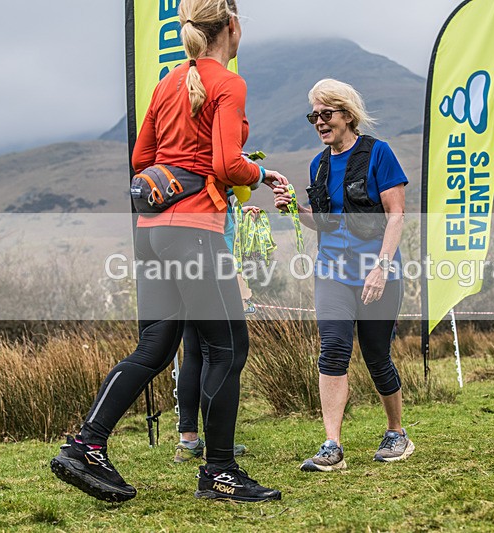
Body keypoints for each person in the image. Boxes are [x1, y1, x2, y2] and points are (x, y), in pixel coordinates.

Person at [50, 0, 285, 502]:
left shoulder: (165, 83)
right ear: (232, 27)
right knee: (227, 348)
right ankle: (220, 472)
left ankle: (86, 444)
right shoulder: (227, 83)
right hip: (196, 231)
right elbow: (225, 162)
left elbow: (141, 160)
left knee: (155, 347)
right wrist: (262, 174)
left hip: (150, 231)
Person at [273, 79, 414, 472]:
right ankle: (332, 445)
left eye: (325, 114)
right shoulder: (318, 164)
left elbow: (396, 215)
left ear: (347, 115)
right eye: (313, 116)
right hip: (332, 272)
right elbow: (327, 224)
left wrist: (382, 269)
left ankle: (396, 432)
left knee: (376, 355)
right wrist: (293, 211)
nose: (318, 122)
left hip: (378, 272)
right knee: (332, 351)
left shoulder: (378, 154)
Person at [174, 196, 257, 463]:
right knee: (221, 355)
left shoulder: (201, 198)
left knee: (194, 353)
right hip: (213, 276)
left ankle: (188, 442)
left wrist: (238, 212)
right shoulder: (216, 194)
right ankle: (216, 444)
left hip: (185, 269)